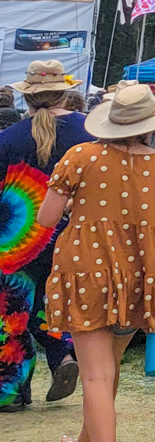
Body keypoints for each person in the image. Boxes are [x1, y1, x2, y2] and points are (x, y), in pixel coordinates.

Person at [36, 83, 155, 442]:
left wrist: (80, 207)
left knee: (96, 375)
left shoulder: (80, 156)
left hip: (85, 265)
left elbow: (45, 218)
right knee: (108, 369)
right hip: (142, 269)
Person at [0, 60, 88, 412]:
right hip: (74, 233)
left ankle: (10, 393)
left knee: (12, 313)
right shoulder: (89, 132)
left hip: (17, 237)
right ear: (65, 92)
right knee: (54, 304)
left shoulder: (10, 137)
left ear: (28, 97)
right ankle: (61, 352)